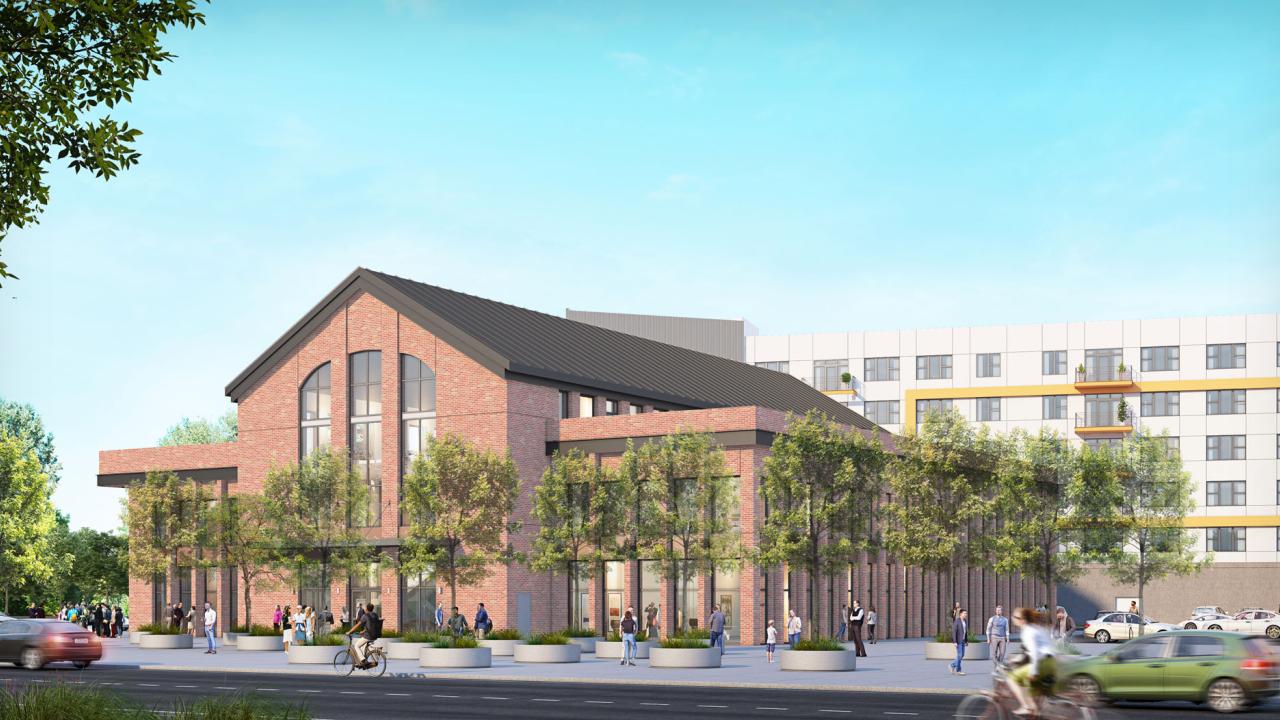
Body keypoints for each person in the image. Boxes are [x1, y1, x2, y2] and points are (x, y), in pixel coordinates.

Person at [1008, 607, 1057, 717]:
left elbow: (1034, 652)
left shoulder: (1027, 632)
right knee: (1030, 690)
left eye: (1015, 617)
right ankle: (1036, 711)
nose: (1013, 619)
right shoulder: (1036, 628)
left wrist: (1033, 672)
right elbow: (1028, 652)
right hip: (1050, 662)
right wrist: (1016, 659)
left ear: (1022, 620)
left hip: (1042, 663)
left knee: (1011, 678)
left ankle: (1025, 706)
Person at [346, 603, 381, 669]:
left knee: (356, 646)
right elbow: (371, 625)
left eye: (365, 608)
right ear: (372, 609)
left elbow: (357, 625)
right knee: (362, 646)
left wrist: (349, 632)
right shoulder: (375, 615)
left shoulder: (365, 616)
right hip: (375, 635)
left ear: (366, 609)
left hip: (368, 636)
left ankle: (363, 660)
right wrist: (363, 631)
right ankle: (364, 663)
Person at [986, 605, 1010, 669]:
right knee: (994, 652)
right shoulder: (992, 619)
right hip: (994, 637)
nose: (998, 611)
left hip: (1002, 638)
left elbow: (1007, 629)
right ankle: (996, 665)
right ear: (995, 611)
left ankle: (999, 663)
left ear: (1002, 611)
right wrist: (988, 638)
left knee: (1002, 653)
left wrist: (1008, 638)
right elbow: (988, 629)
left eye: (999, 610)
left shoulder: (1005, 619)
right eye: (997, 610)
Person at [950, 609, 968, 676]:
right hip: (958, 641)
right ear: (960, 614)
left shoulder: (965, 621)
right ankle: (958, 670)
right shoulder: (957, 621)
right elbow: (954, 632)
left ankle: (952, 665)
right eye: (964, 613)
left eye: (966, 613)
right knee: (960, 655)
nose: (965, 614)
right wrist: (954, 641)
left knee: (962, 655)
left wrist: (966, 640)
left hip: (963, 641)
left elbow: (965, 632)